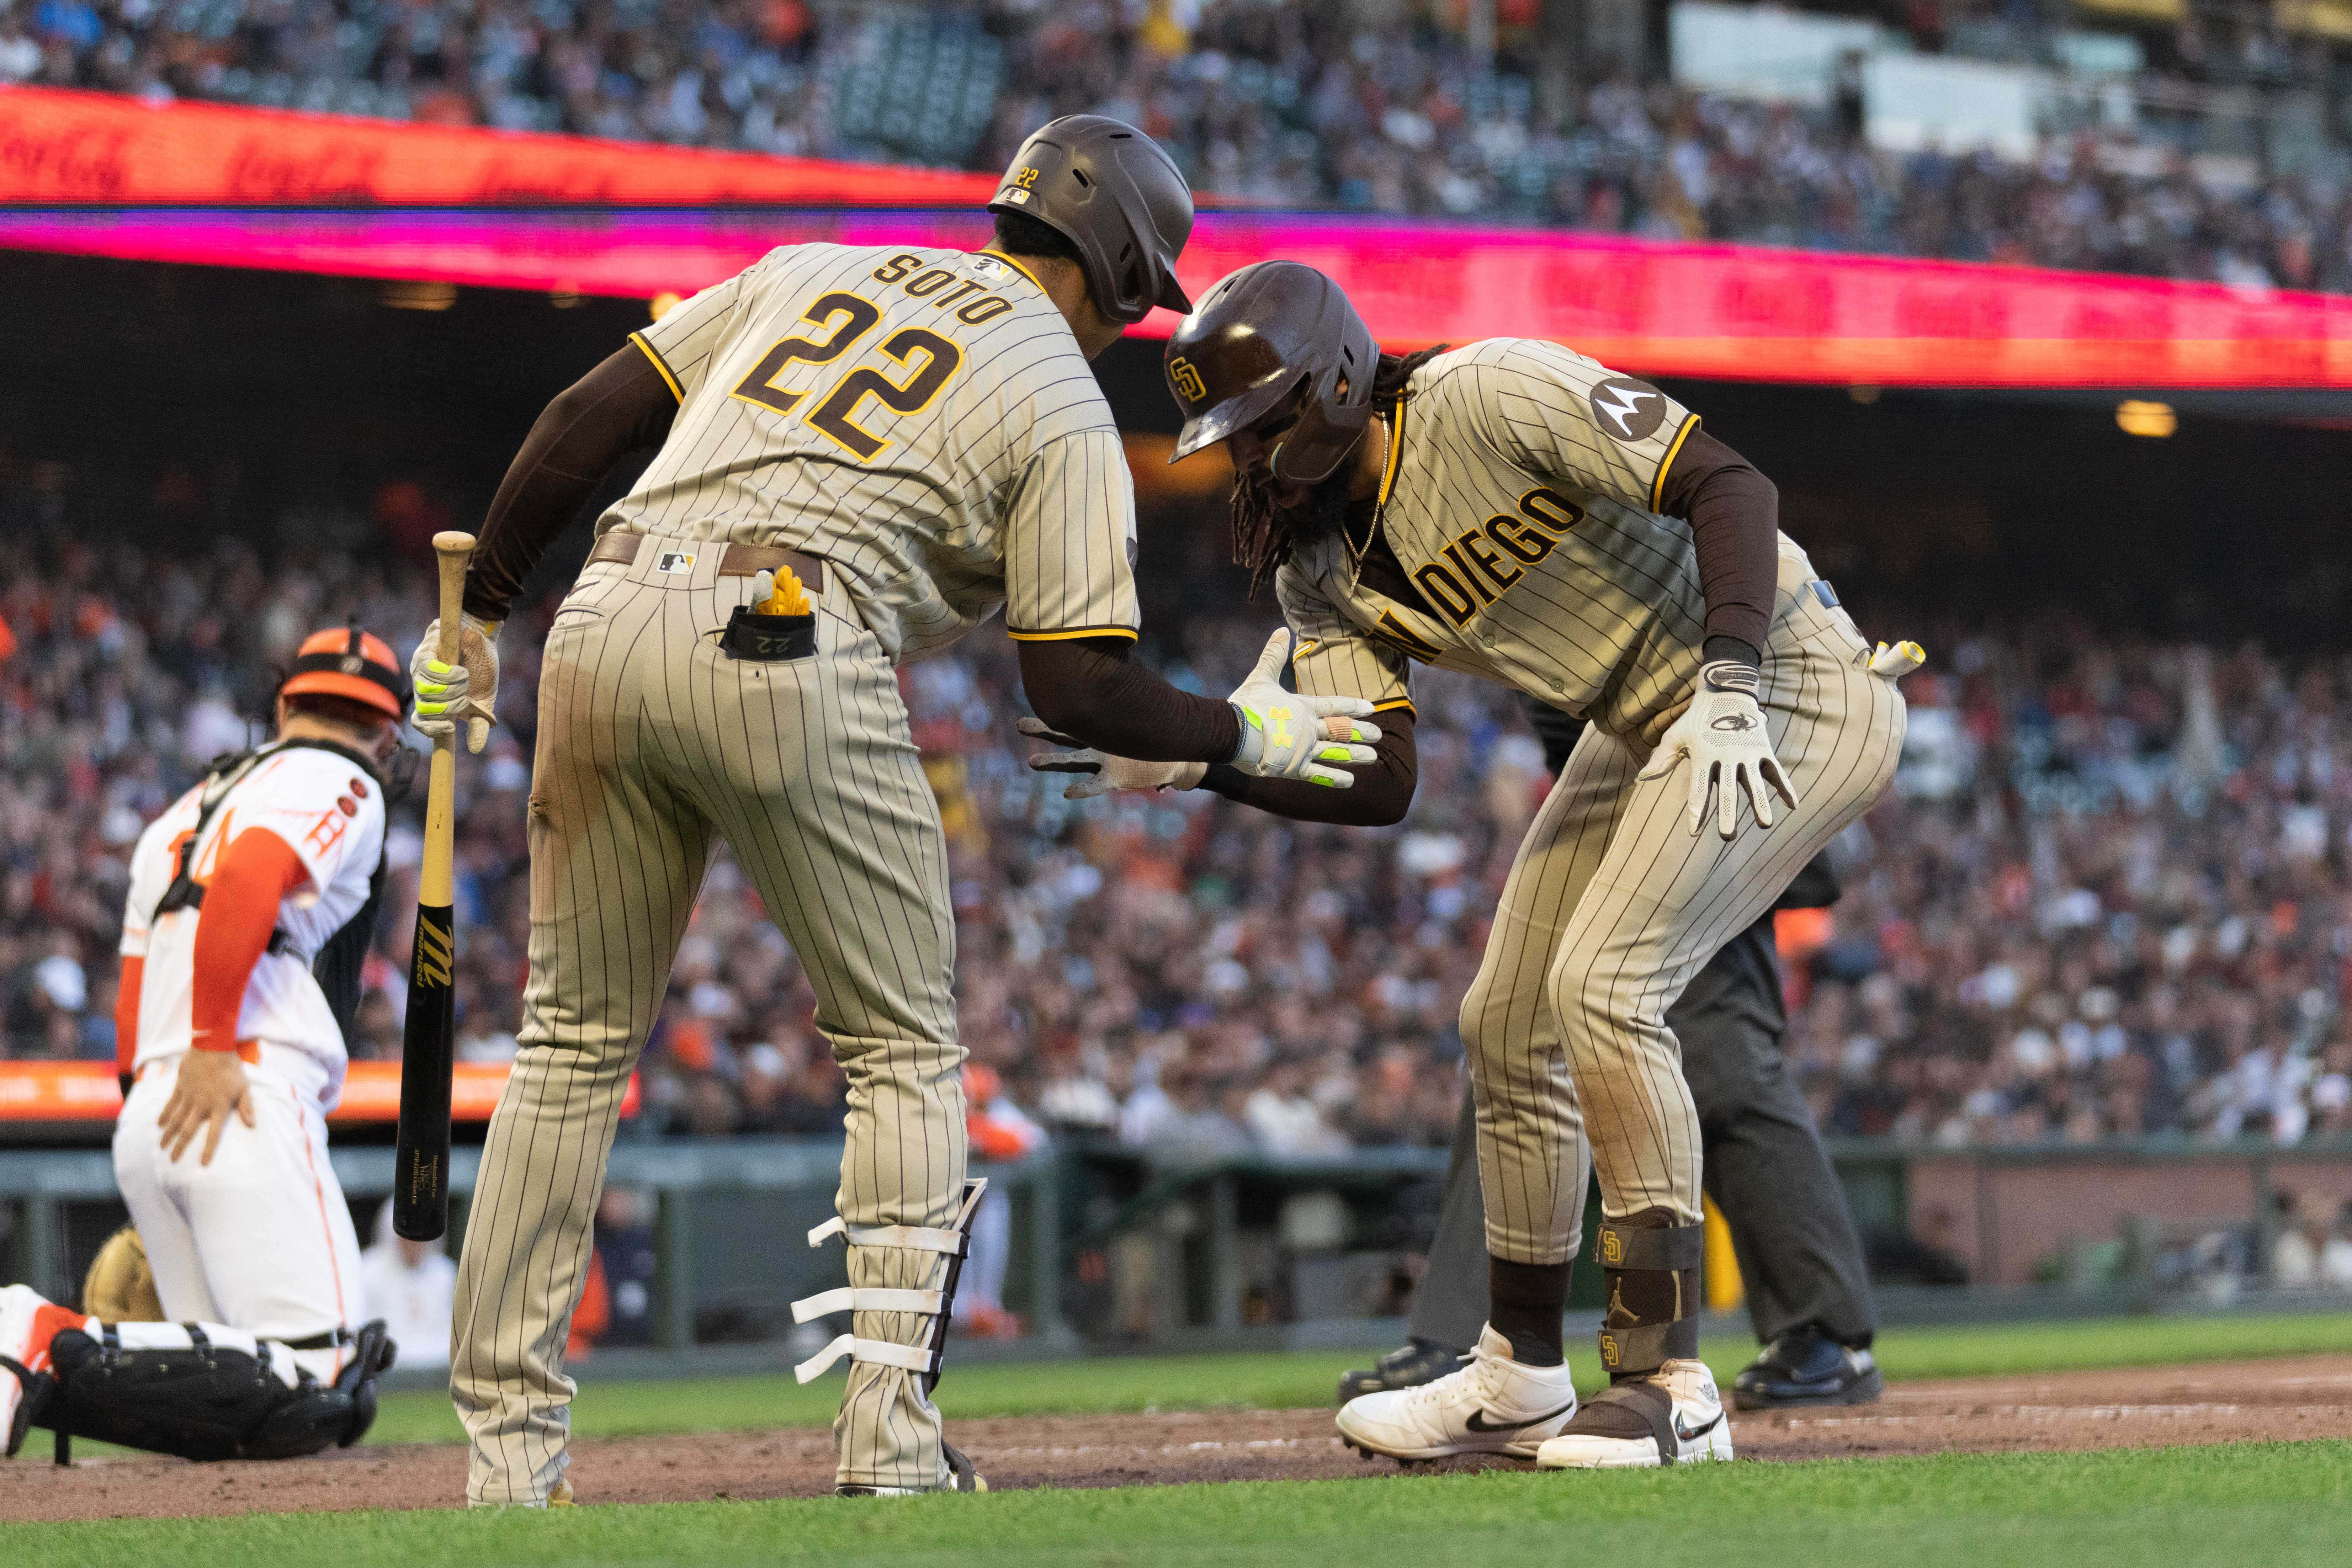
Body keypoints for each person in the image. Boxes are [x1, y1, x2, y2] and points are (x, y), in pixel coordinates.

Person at [408, 118, 1377, 1504]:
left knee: (566, 1049)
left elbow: (587, 420)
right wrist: (1248, 729)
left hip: (604, 609)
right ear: (1118, 266)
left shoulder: (812, 265)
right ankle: (887, 1439)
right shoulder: (1058, 394)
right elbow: (1081, 684)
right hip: (788, 628)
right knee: (904, 1051)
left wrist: (485, 611)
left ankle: (508, 1461)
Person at [1028, 261, 1912, 1468]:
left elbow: (1726, 480)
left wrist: (1730, 678)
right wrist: (1211, 759)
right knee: (1503, 1021)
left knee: (1605, 985)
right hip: (1640, 721)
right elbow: (1384, 778)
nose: (1254, 458)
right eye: (1238, 436)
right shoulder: (1318, 571)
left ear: (1337, 380)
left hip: (1789, 683)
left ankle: (1666, 1378)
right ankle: (1517, 1374)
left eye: (1269, 419)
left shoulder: (1488, 391)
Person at [1339, 701, 1880, 1412]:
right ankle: (1470, 1332)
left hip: (1711, 787)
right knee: (1514, 1035)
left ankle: (1827, 1327)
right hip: (1605, 798)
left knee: (1721, 1056)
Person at [3, 628, 404, 1462]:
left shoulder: (184, 809)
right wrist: (215, 1046)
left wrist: (152, 1128)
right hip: (238, 1085)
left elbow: (133, 983)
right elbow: (255, 871)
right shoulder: (345, 777)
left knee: (225, 1405)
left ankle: (41, 1350)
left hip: (161, 1102)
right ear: (388, 732)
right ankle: (30, 1330)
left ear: (287, 701)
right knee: (318, 1373)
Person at [361, 1199, 458, 1372]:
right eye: (407, 1237)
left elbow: (450, 1332)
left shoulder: (445, 1272)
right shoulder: (368, 1270)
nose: (414, 1244)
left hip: (438, 1360)